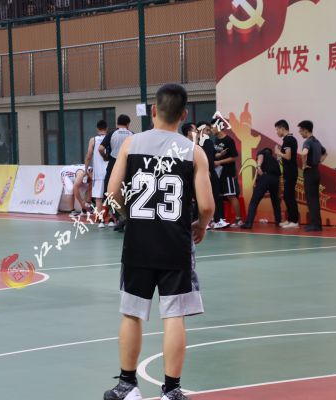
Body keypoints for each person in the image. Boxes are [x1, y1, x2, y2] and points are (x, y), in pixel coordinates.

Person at [104, 83, 214, 400]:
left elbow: (112, 194)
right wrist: (201, 225)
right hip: (175, 244)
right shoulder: (193, 151)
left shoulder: (131, 144)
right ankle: (172, 390)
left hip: (138, 243)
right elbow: (207, 206)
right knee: (174, 316)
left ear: (153, 110)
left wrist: (129, 215)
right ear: (184, 115)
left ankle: (127, 386)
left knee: (132, 313)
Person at [99, 114, 133, 230]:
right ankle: (126, 219)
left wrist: (105, 157)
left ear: (117, 123)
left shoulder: (112, 133)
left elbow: (101, 148)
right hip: (128, 165)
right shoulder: (132, 134)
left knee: (109, 191)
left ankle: (110, 219)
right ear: (128, 124)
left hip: (113, 163)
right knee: (126, 191)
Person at [197, 121, 229, 230]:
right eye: (207, 130)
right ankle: (202, 222)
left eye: (209, 129)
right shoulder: (197, 143)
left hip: (212, 172)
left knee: (215, 196)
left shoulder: (209, 142)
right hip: (203, 173)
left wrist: (220, 154)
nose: (209, 132)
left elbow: (214, 155)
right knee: (202, 198)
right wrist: (205, 170)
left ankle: (217, 220)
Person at [240, 147, 282, 229]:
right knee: (275, 202)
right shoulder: (274, 160)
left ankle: (249, 223)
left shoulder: (262, 152)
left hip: (265, 177)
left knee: (254, 201)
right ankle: (278, 221)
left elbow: (260, 156)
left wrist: (258, 166)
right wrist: (279, 191)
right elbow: (279, 176)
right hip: (275, 180)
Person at [212, 117, 243, 227]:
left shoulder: (228, 140)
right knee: (219, 197)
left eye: (212, 127)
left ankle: (239, 219)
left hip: (228, 173)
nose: (211, 130)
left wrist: (219, 162)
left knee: (231, 195)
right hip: (218, 174)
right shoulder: (216, 140)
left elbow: (234, 157)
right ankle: (221, 219)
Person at [298, 120, 327, 232]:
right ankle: (317, 224)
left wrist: (304, 164)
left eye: (301, 131)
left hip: (309, 173)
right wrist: (318, 162)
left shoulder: (308, 142)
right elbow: (325, 153)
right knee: (315, 199)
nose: (300, 133)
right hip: (316, 172)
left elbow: (304, 153)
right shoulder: (317, 142)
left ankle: (315, 225)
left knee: (311, 199)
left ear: (306, 130)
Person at [274, 119, 299, 228]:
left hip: (291, 172)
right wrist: (280, 156)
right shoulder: (288, 140)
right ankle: (290, 219)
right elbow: (287, 158)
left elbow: (288, 156)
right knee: (287, 196)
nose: (276, 132)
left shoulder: (289, 140)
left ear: (282, 128)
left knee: (289, 196)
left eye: (277, 130)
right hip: (289, 171)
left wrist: (278, 152)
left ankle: (294, 221)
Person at [84, 120, 109, 227]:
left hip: (98, 173)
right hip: (109, 172)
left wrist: (85, 169)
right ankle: (111, 220)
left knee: (98, 197)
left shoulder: (93, 140)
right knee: (110, 196)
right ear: (107, 128)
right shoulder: (110, 137)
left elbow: (89, 156)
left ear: (97, 129)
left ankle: (101, 221)